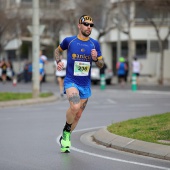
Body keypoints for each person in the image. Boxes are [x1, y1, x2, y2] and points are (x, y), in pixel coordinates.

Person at [55, 15, 104, 153]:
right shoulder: (69, 41)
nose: (89, 27)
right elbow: (57, 51)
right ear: (79, 25)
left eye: (91, 25)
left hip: (85, 85)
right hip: (71, 82)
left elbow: (101, 64)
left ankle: (66, 135)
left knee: (78, 115)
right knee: (75, 106)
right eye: (86, 24)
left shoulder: (95, 44)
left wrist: (95, 59)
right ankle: (66, 134)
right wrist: (58, 62)